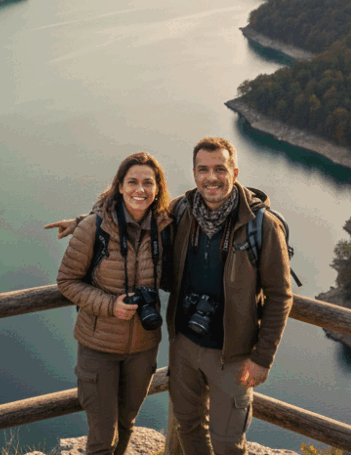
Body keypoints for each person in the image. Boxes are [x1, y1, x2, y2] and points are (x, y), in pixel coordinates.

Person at [46, 138, 293, 455]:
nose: (211, 177)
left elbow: (280, 296)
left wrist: (262, 358)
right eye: (203, 169)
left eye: (220, 168)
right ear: (193, 173)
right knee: (187, 428)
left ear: (235, 171)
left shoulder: (261, 225)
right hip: (185, 346)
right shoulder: (183, 211)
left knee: (228, 443)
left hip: (233, 353)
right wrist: (82, 222)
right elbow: (126, 211)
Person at [55, 152, 173, 455]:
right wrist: (111, 306)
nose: (140, 189)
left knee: (127, 424)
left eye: (148, 182)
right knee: (101, 437)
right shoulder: (94, 229)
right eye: (132, 181)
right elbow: (67, 282)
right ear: (119, 186)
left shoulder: (165, 228)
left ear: (158, 188)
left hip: (144, 348)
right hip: (99, 349)